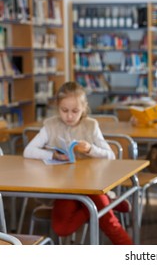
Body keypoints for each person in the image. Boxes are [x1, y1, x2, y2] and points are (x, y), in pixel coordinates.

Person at [23, 81, 133, 245]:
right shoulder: (51, 125)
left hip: (92, 186)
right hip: (65, 188)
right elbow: (28, 151)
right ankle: (106, 203)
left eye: (75, 111)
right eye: (64, 110)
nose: (69, 116)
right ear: (57, 107)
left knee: (109, 223)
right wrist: (53, 154)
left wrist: (90, 149)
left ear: (84, 108)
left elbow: (110, 155)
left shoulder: (90, 125)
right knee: (62, 229)